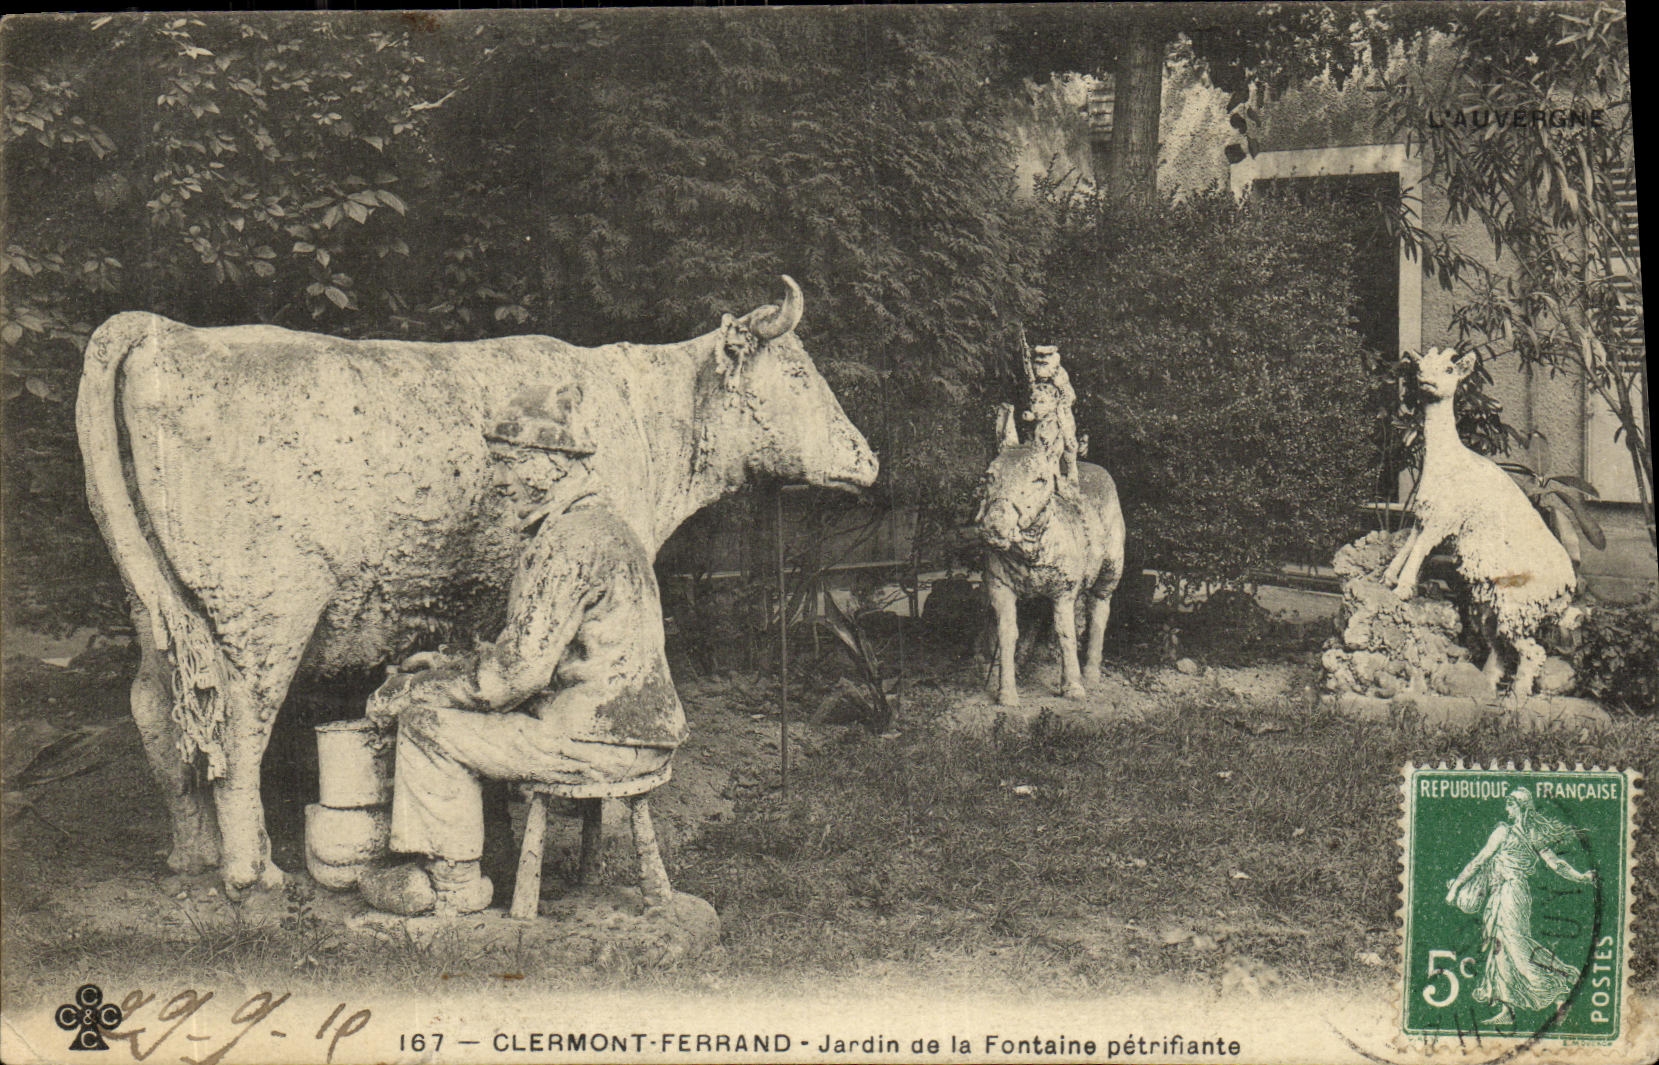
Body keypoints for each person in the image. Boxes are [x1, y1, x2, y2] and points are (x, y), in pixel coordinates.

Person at [357, 389, 685, 917]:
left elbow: (514, 677)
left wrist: (413, 689)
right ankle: (482, 863)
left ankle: (452, 887)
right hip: (642, 729)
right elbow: (550, 655)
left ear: (549, 463)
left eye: (507, 462)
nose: (499, 480)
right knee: (460, 715)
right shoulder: (605, 525)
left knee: (424, 724)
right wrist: (451, 668)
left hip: (596, 740)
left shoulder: (566, 542)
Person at [1445, 787, 1595, 1025]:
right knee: (1499, 947)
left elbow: (1479, 861)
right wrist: (1581, 877)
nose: (1507, 808)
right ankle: (1507, 1008)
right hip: (1505, 893)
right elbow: (1557, 864)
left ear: (1520, 807)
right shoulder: (1532, 834)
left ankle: (1561, 982)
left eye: (1510, 804)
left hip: (1510, 893)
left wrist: (1455, 888)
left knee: (1516, 947)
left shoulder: (1504, 832)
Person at [1022, 344, 1080, 502]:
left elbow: (1070, 397)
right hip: (1040, 417)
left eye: (1044, 363)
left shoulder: (1060, 377)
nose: (1040, 368)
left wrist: (1060, 400)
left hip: (1058, 414)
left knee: (1068, 439)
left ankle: (1071, 472)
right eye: (1038, 363)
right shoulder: (1035, 380)